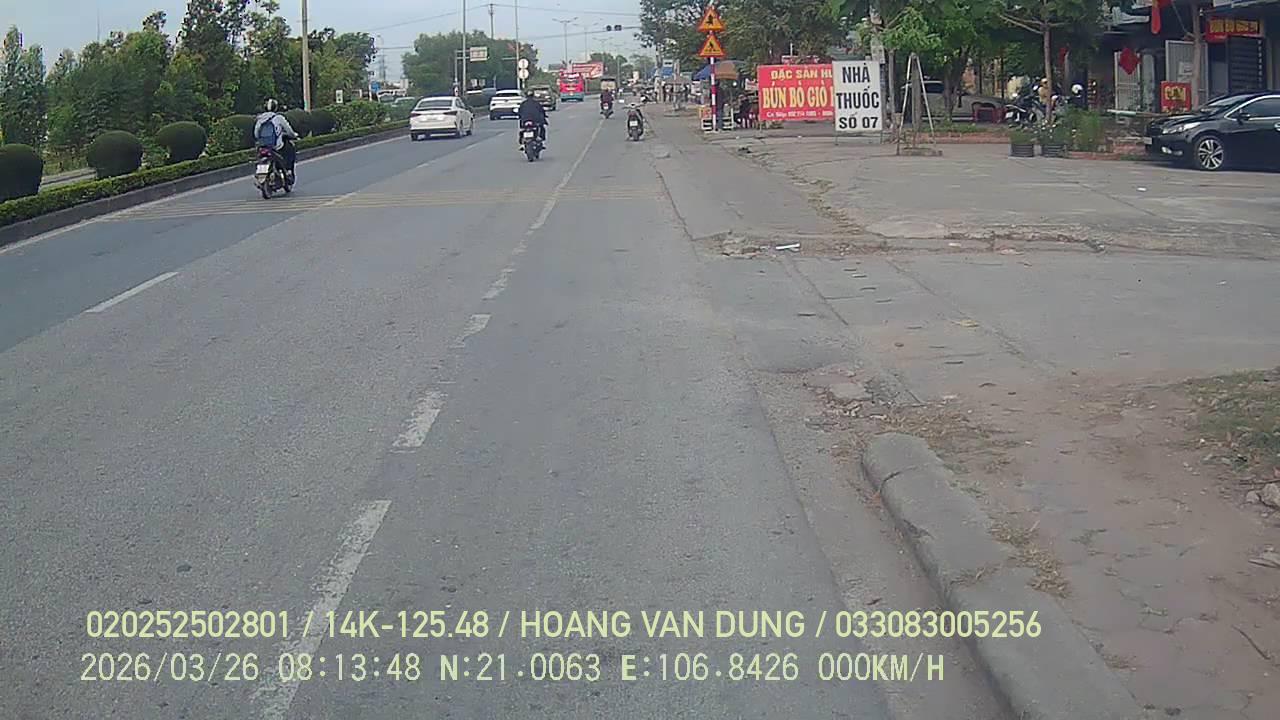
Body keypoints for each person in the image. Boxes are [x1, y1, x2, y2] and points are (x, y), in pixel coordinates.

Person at [254, 99, 298, 181]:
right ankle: (288, 170)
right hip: (276, 146)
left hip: (263, 146)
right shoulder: (279, 118)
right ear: (275, 108)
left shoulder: (260, 119)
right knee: (290, 148)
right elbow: (289, 131)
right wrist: (294, 135)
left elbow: (256, 134)